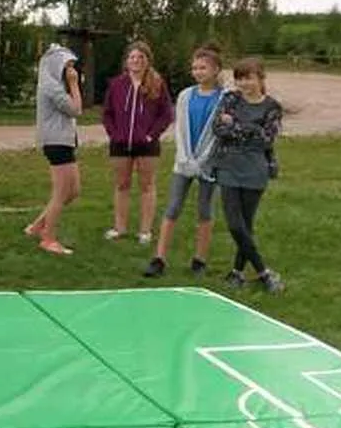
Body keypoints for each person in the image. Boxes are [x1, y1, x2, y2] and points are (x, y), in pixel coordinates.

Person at [145, 45, 224, 277]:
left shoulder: (225, 98)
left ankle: (199, 259)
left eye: (203, 67)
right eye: (195, 68)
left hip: (210, 164)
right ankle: (159, 258)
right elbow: (180, 129)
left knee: (205, 210)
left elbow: (218, 133)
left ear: (216, 69)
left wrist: (203, 160)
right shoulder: (185, 96)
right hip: (184, 162)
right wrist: (186, 158)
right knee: (173, 206)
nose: (198, 72)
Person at [210, 57, 284, 293]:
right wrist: (250, 129)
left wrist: (238, 126)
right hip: (228, 166)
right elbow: (218, 129)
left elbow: (266, 139)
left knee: (246, 224)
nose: (243, 84)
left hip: (255, 169)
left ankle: (238, 272)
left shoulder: (272, 107)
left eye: (248, 78)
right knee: (234, 224)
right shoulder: (230, 99)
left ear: (260, 78)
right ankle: (264, 272)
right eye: (239, 78)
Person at [101, 40, 174, 245]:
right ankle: (120, 227)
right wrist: (114, 134)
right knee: (122, 185)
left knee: (147, 186)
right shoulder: (116, 84)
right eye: (132, 57)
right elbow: (107, 113)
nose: (136, 61)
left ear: (147, 61)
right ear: (126, 61)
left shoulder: (157, 83)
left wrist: (152, 135)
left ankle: (145, 230)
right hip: (120, 144)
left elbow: (166, 114)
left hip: (147, 145)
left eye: (140, 57)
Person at [25, 43, 83, 255]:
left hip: (65, 141)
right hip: (56, 142)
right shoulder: (51, 87)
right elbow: (76, 109)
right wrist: (74, 84)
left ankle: (37, 226)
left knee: (74, 191)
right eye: (67, 66)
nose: (70, 70)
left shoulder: (55, 85)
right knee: (61, 193)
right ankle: (48, 239)